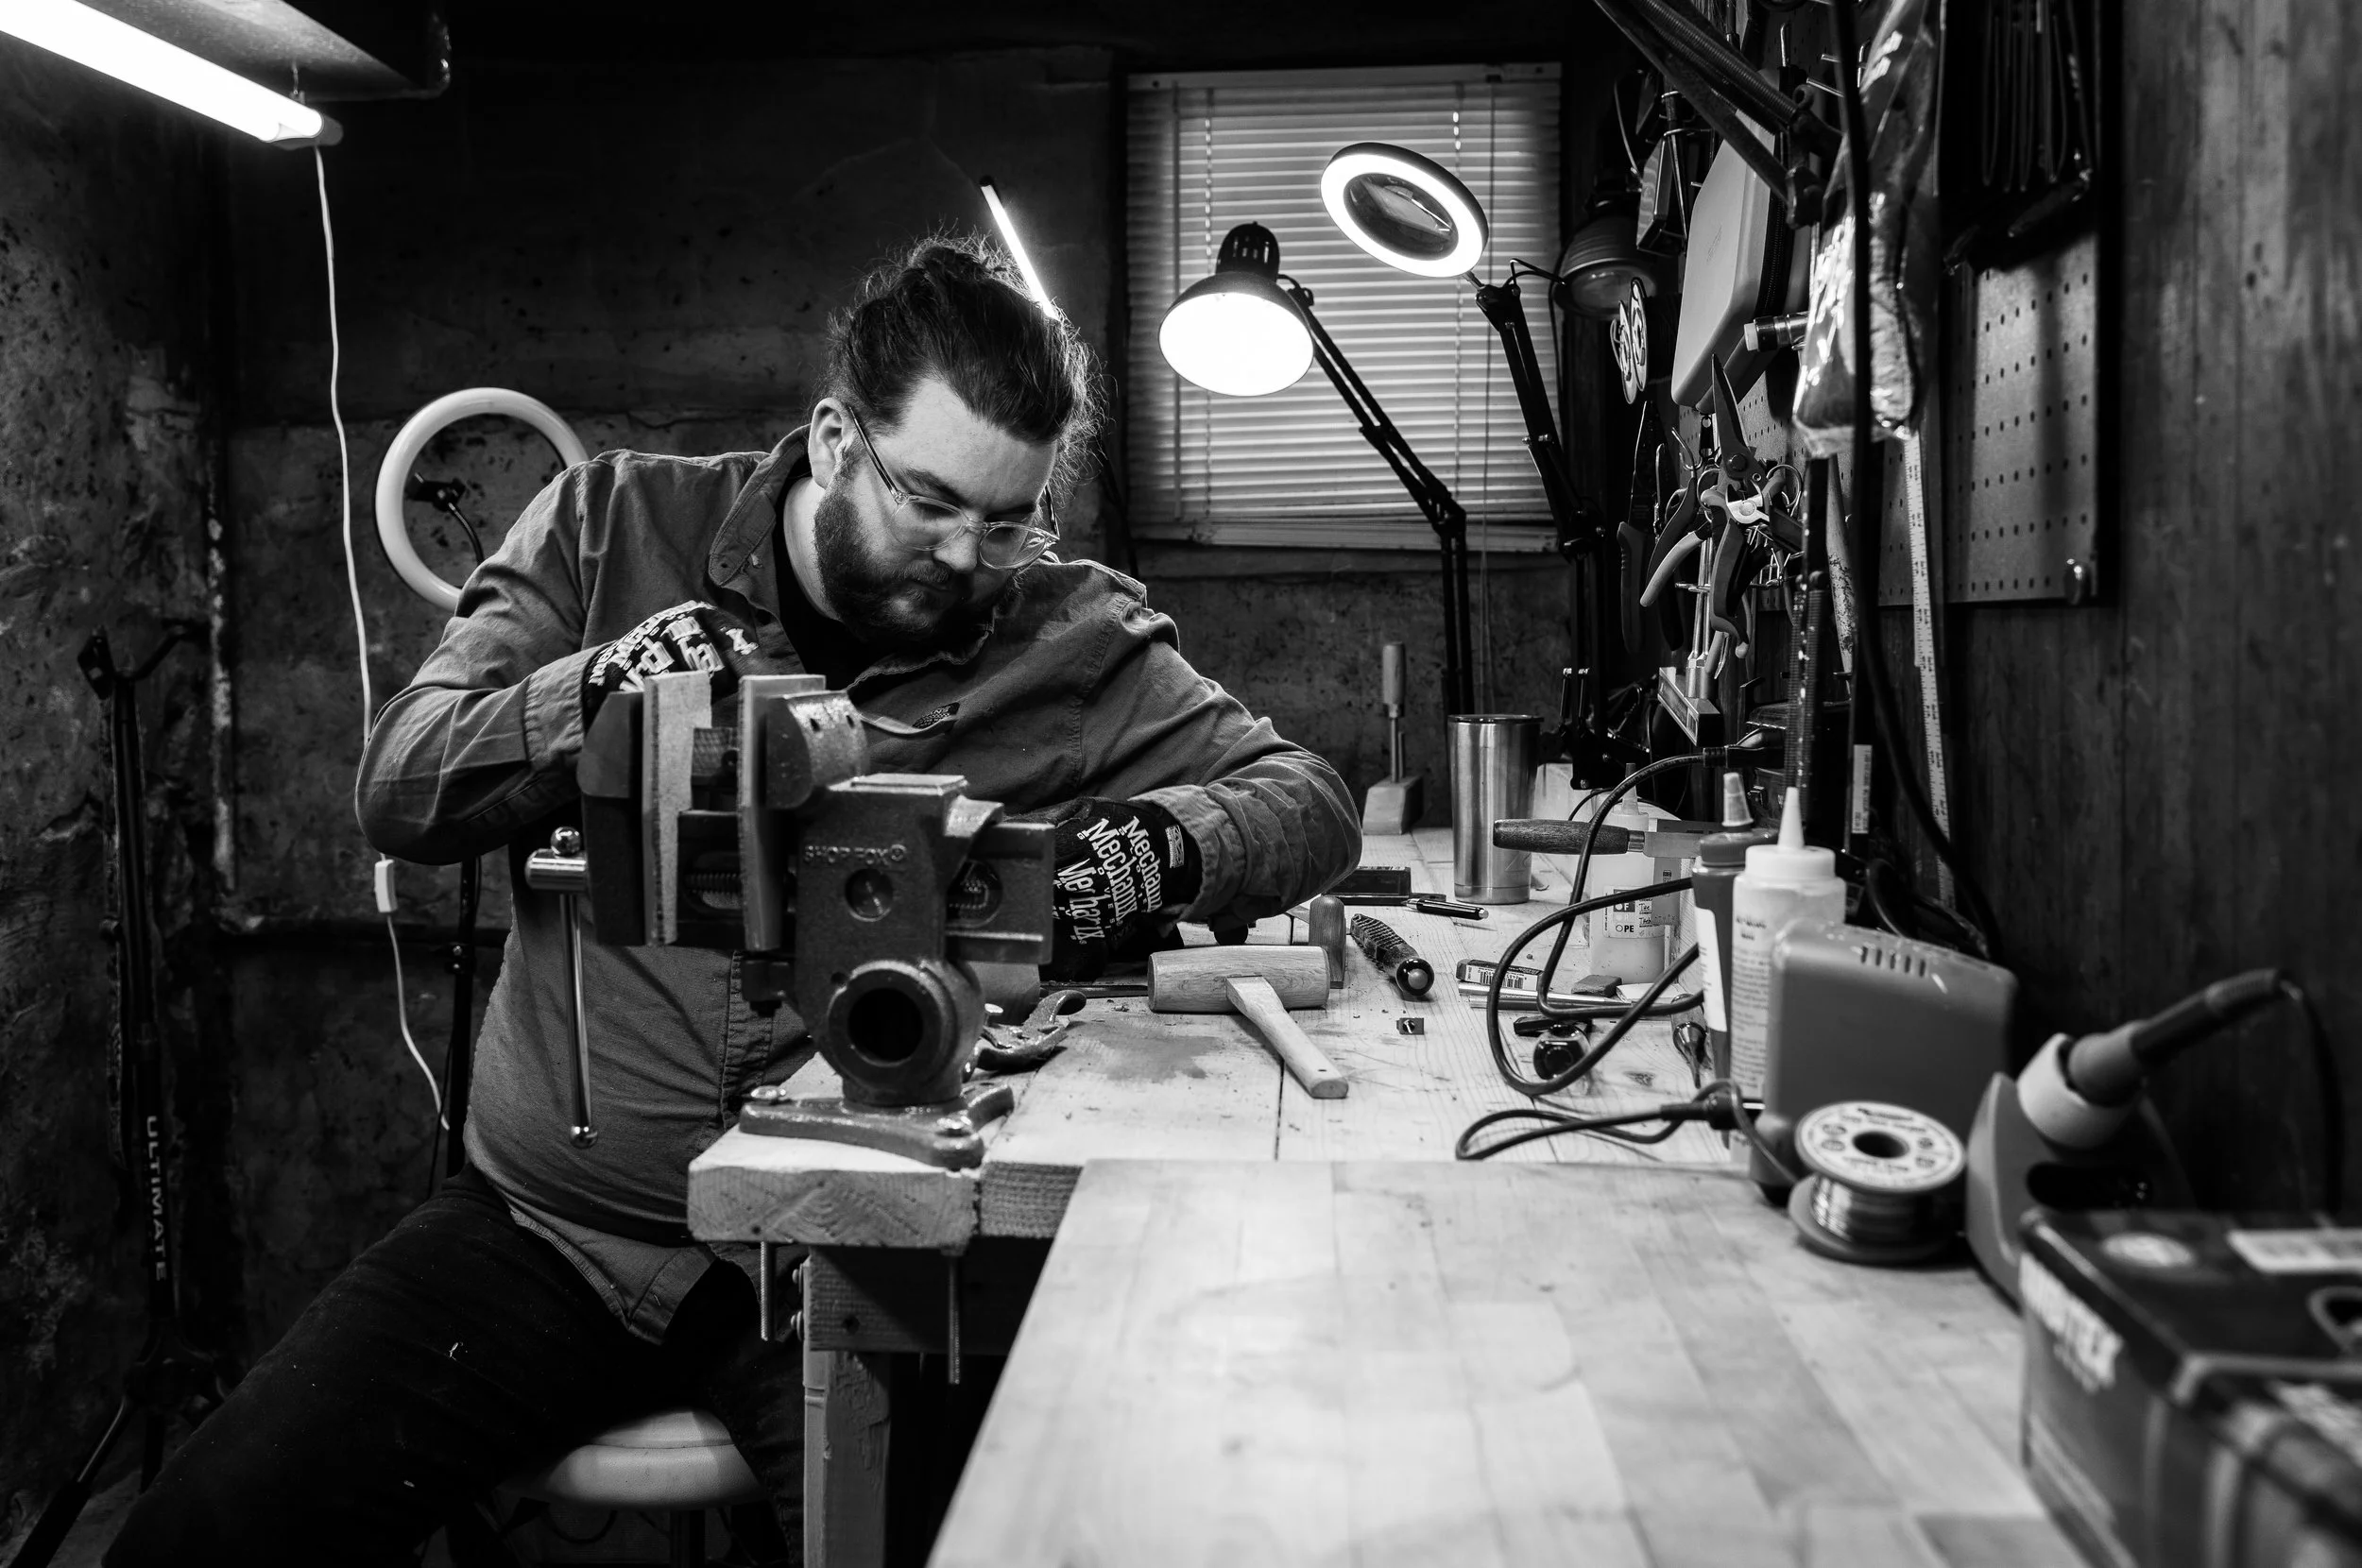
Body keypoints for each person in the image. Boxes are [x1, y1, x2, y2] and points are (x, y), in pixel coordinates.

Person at [107, 234, 1359, 1564]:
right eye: (930, 503)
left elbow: (1309, 799)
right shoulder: (610, 529)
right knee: (204, 1535)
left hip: (852, 1241)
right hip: (554, 1233)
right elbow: (401, 789)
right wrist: (592, 693)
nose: (964, 557)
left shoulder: (1072, 635)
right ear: (833, 438)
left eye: (1007, 522)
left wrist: (1152, 855)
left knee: (985, 1538)